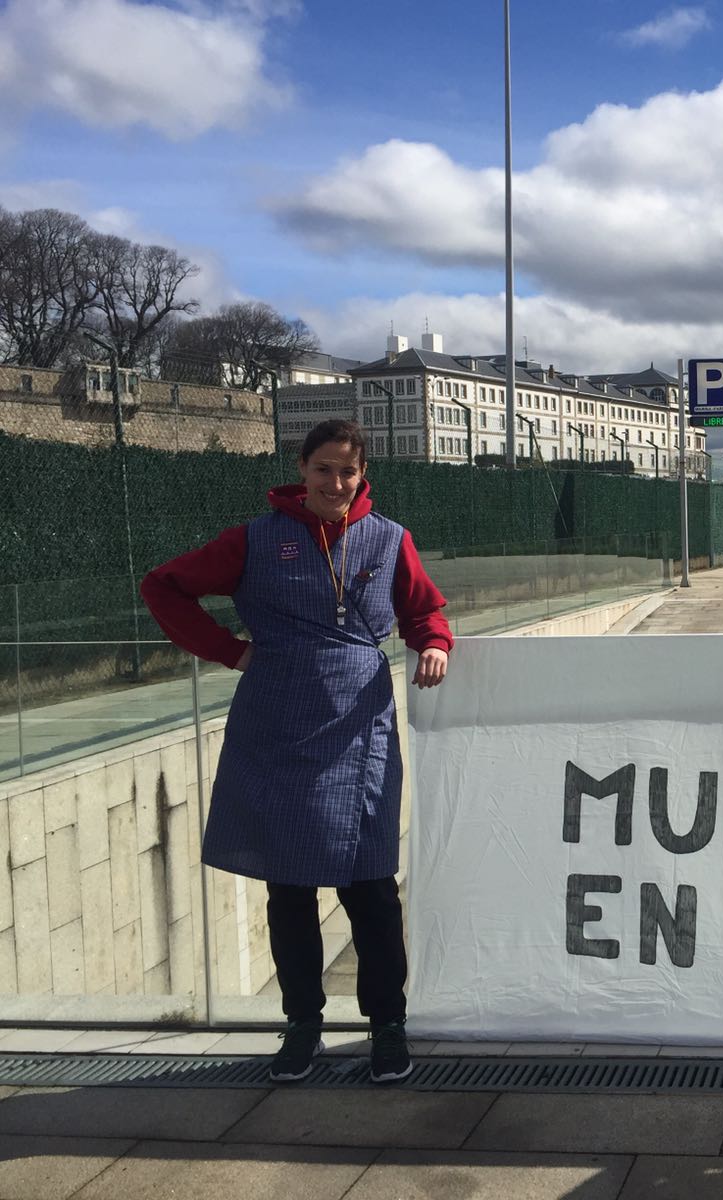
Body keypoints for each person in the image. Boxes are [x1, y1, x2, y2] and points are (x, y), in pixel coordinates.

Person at [141, 419, 452, 1085]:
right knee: (288, 887)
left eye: (347, 471)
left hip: (360, 727)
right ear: (302, 470)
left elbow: (423, 611)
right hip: (275, 722)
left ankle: (387, 1026)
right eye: (323, 469)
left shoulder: (390, 538)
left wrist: (433, 644)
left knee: (371, 887)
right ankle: (302, 1025)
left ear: (362, 475)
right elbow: (163, 586)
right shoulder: (253, 539)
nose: (335, 483)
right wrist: (230, 651)